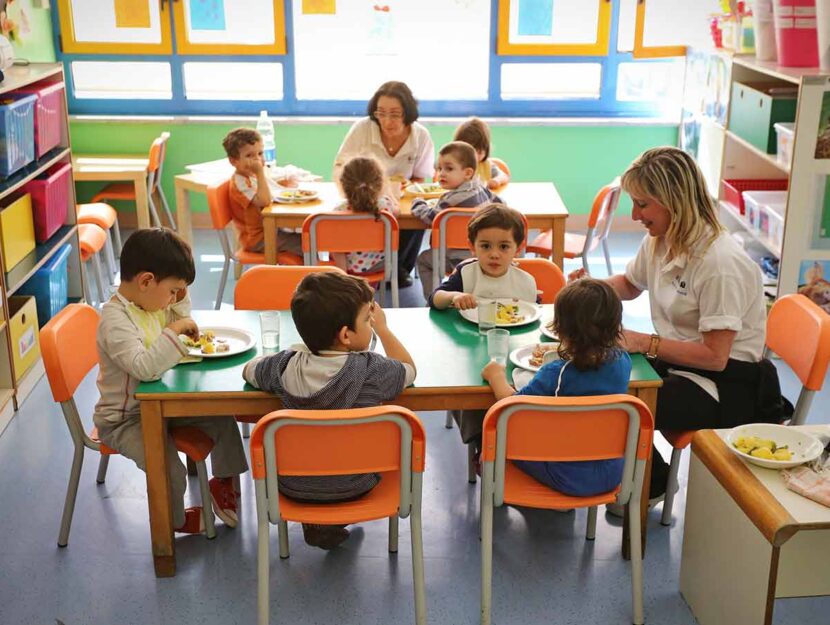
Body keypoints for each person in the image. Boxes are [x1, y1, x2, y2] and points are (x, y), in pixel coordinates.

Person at [574, 146, 792, 512]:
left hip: (727, 385)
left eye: (643, 204)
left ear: (673, 200)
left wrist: (646, 342)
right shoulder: (660, 240)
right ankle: (640, 474)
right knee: (593, 378)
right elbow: (629, 284)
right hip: (682, 363)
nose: (635, 214)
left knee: (618, 408)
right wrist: (589, 288)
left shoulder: (720, 263)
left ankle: (654, 482)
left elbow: (716, 357)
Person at [242, 271, 417, 549]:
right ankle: (333, 518)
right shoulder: (372, 369)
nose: (371, 325)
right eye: (367, 320)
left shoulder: (283, 366)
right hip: (357, 484)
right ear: (346, 335)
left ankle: (320, 520)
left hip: (294, 487)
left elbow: (249, 370)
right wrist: (383, 330)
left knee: (319, 461)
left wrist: (279, 355)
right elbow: (409, 370)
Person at [93, 228, 248, 534]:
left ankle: (223, 481)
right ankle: (175, 521)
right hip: (124, 420)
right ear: (146, 281)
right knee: (167, 467)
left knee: (220, 418)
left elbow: (170, 318)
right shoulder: (116, 321)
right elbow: (145, 368)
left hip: (161, 406)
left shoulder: (148, 302)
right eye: (172, 291)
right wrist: (175, 330)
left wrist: (177, 305)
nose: (173, 300)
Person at [481, 278, 631, 496]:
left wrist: (496, 376)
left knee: (499, 436)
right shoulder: (623, 362)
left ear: (559, 329)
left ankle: (481, 463)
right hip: (612, 472)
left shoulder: (557, 372)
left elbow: (511, 405)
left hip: (565, 475)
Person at [429, 203, 537, 453]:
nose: (494, 254)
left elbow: (536, 318)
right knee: (465, 388)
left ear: (518, 248)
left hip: (513, 353)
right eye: (485, 246)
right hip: (469, 352)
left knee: (524, 387)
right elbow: (435, 299)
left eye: (504, 247)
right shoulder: (467, 273)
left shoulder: (526, 281)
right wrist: (454, 296)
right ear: (472, 246)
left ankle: (513, 439)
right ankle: (479, 444)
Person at [332, 81, 435, 287]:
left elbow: (420, 178)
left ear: (408, 112)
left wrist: (398, 188)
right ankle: (382, 266)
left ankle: (398, 268)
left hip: (401, 196)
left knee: (417, 214)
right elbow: (341, 167)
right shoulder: (362, 129)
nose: (387, 121)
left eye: (395, 114)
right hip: (361, 196)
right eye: (381, 113)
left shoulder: (420, 135)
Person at [413, 141, 503, 300]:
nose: (441, 173)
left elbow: (429, 217)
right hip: (482, 255)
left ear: (468, 173)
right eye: (439, 168)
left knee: (423, 260)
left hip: (455, 258)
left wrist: (418, 203)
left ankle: (433, 300)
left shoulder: (450, 201)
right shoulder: (481, 188)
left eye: (449, 168)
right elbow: (501, 205)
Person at [222, 127, 302, 258]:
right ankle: (309, 275)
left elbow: (266, 188)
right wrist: (259, 173)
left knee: (310, 237)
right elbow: (265, 200)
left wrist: (282, 182)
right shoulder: (240, 183)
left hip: (271, 230)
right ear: (233, 161)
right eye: (249, 155)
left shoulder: (250, 176)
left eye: (260, 153)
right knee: (307, 244)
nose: (257, 160)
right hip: (258, 239)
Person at [333, 155, 399, 275]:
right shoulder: (385, 206)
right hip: (377, 265)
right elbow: (396, 211)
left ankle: (342, 278)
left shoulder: (338, 210)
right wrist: (390, 195)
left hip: (346, 266)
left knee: (335, 243)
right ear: (380, 183)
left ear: (343, 184)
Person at [453, 117, 510, 190]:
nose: (474, 156)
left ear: (486, 149)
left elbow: (504, 176)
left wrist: (496, 181)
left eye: (479, 152)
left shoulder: (486, 166)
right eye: (470, 151)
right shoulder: (454, 166)